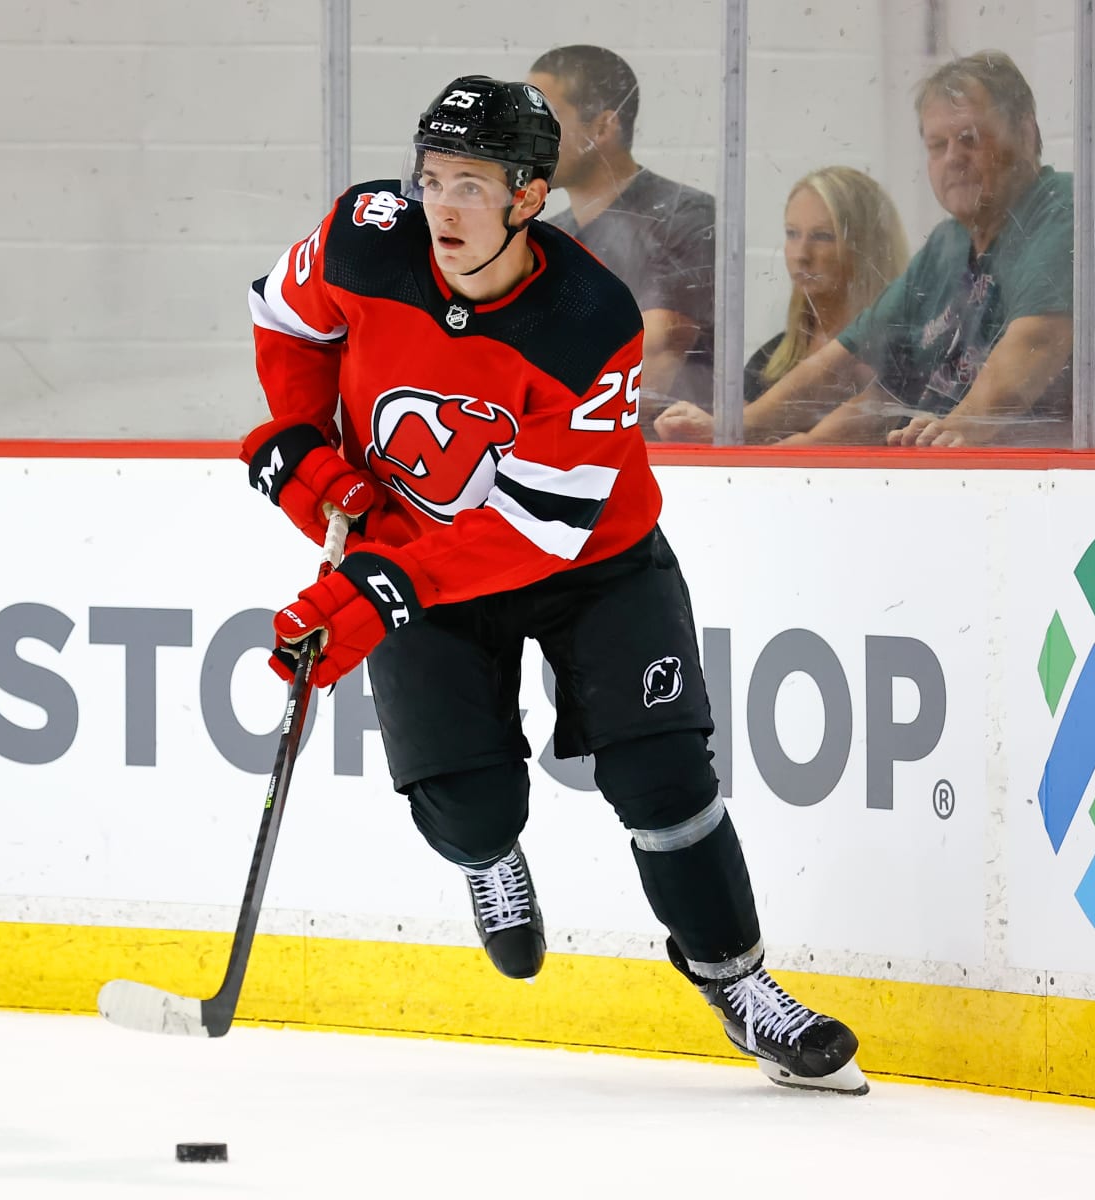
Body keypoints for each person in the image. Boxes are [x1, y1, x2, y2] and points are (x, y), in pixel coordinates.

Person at [238, 74, 867, 1094]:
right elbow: (284, 321)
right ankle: (489, 857)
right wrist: (312, 455)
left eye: (471, 187)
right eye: (431, 178)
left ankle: (741, 984)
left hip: (592, 565)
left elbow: (538, 529)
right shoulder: (364, 235)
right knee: (469, 804)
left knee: (663, 779)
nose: (441, 207)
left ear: (529, 197)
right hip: (416, 546)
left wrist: (379, 588)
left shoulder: (587, 318)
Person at [656, 50, 1095, 448]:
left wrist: (954, 430)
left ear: (1025, 132)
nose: (953, 158)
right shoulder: (946, 246)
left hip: (1080, 496)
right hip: (970, 486)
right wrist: (746, 430)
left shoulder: (1066, 210)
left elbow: (1034, 349)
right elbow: (860, 374)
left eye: (970, 138)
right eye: (938, 145)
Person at [526, 45, 717, 425]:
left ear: (602, 128)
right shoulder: (548, 235)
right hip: (565, 440)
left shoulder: (685, 216)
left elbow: (655, 354)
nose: (530, 137)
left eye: (547, 120)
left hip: (662, 449)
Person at [740, 166, 909, 407]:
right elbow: (732, 428)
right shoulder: (770, 361)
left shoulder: (900, 361)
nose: (801, 254)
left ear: (866, 246)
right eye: (792, 233)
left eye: (823, 236)